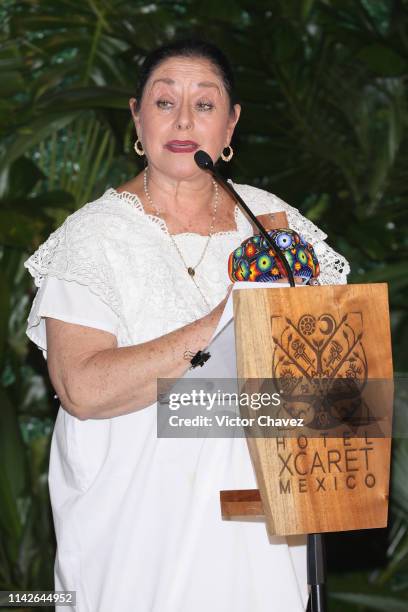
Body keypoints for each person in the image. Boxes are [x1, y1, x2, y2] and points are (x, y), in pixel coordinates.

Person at [24, 38, 350, 612]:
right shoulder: (95, 235)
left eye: (204, 105)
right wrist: (225, 317)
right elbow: (82, 389)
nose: (183, 120)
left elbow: (335, 378)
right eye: (164, 101)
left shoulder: (272, 224)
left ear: (231, 125)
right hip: (137, 532)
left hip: (258, 524)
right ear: (137, 117)